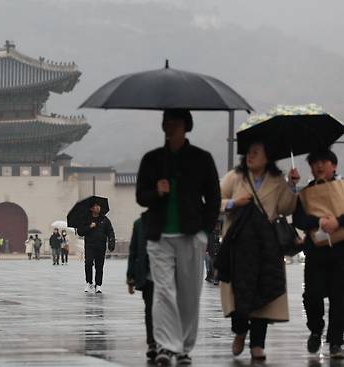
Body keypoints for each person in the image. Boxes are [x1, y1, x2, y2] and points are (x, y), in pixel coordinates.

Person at [135, 109, 221, 365]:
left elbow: (214, 198)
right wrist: (157, 192)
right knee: (163, 291)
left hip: (191, 234)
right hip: (159, 235)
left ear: (186, 126)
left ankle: (184, 346)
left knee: (188, 293)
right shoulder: (152, 159)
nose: (170, 127)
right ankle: (166, 346)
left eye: (175, 123)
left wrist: (205, 231)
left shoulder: (201, 159)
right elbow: (141, 196)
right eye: (167, 122)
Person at [218, 141, 299, 361]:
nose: (250, 156)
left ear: (267, 157)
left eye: (256, 153)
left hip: (266, 246)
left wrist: (292, 186)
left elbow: (286, 208)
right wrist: (234, 203)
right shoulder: (235, 177)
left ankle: (257, 345)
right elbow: (216, 200)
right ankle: (240, 331)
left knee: (263, 293)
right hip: (238, 246)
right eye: (249, 153)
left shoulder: (277, 181)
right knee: (239, 293)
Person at [293, 149, 344, 358]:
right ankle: (316, 329)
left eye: (324, 162)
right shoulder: (305, 193)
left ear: (334, 166)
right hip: (315, 253)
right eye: (315, 163)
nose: (319, 166)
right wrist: (318, 222)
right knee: (311, 295)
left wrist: (338, 222)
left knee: (340, 298)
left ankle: (335, 342)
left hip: (341, 252)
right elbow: (298, 220)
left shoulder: (342, 188)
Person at [127, 211, 156, 362]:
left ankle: (164, 341)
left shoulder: (170, 221)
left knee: (166, 310)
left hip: (167, 274)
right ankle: (152, 342)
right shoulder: (139, 224)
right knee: (150, 309)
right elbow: (133, 251)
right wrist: (130, 277)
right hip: (147, 275)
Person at [77, 200, 115, 294]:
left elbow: (110, 232)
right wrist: (89, 227)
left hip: (101, 246)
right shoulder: (86, 219)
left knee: (99, 266)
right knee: (88, 263)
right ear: (91, 209)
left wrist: (111, 242)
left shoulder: (105, 220)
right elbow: (80, 232)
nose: (98, 207)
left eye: (98, 206)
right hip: (90, 245)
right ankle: (89, 282)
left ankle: (98, 285)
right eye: (95, 206)